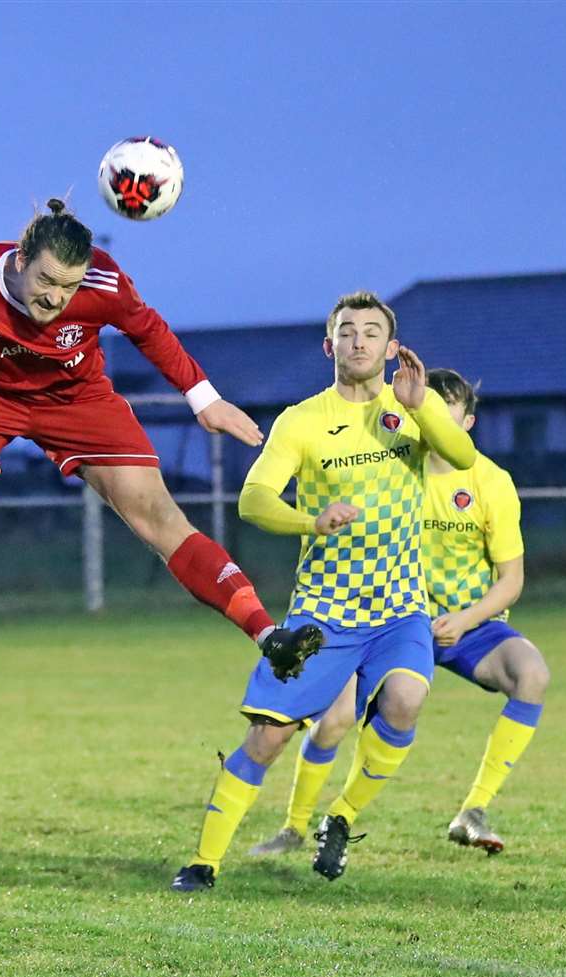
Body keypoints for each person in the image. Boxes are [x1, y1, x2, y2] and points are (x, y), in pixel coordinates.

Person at [0, 200, 320, 682]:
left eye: (68, 288)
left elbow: (149, 329)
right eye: (46, 280)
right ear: (20, 259)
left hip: (78, 397)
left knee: (160, 518)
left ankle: (269, 635)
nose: (55, 297)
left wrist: (203, 398)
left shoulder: (104, 284)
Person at [170, 291, 477, 891]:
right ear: (328, 345)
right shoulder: (302, 420)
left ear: (391, 349)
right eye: (347, 331)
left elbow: (463, 456)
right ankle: (203, 862)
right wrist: (310, 521)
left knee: (407, 700)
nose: (358, 341)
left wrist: (426, 411)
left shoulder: (412, 408)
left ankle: (342, 815)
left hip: (399, 608)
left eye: (371, 332)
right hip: (326, 612)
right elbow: (253, 500)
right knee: (270, 735)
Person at [248, 369, 549, 857]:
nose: (429, 427)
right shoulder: (388, 467)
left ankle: (469, 809)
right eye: (422, 413)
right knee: (336, 718)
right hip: (389, 618)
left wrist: (466, 619)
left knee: (532, 673)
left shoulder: (492, 482)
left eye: (444, 419)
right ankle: (294, 828)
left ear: (466, 425)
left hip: (466, 623)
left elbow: (511, 580)